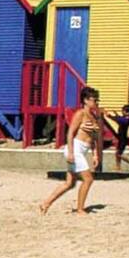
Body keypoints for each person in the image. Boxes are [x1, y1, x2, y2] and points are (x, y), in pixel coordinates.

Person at [39, 87, 104, 215]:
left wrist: (95, 154)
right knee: (88, 179)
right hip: (75, 148)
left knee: (70, 183)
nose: (96, 102)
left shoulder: (95, 116)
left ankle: (45, 203)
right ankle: (80, 209)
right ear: (85, 100)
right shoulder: (80, 114)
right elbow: (70, 133)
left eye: (98, 100)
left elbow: (94, 137)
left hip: (83, 149)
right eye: (94, 100)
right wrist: (70, 152)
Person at [112, 104, 129, 171]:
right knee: (117, 153)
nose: (122, 112)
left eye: (123, 111)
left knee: (119, 154)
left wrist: (110, 116)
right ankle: (118, 167)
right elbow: (120, 118)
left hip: (123, 139)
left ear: (127, 112)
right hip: (120, 138)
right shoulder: (125, 118)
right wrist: (116, 115)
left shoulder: (127, 119)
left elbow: (119, 120)